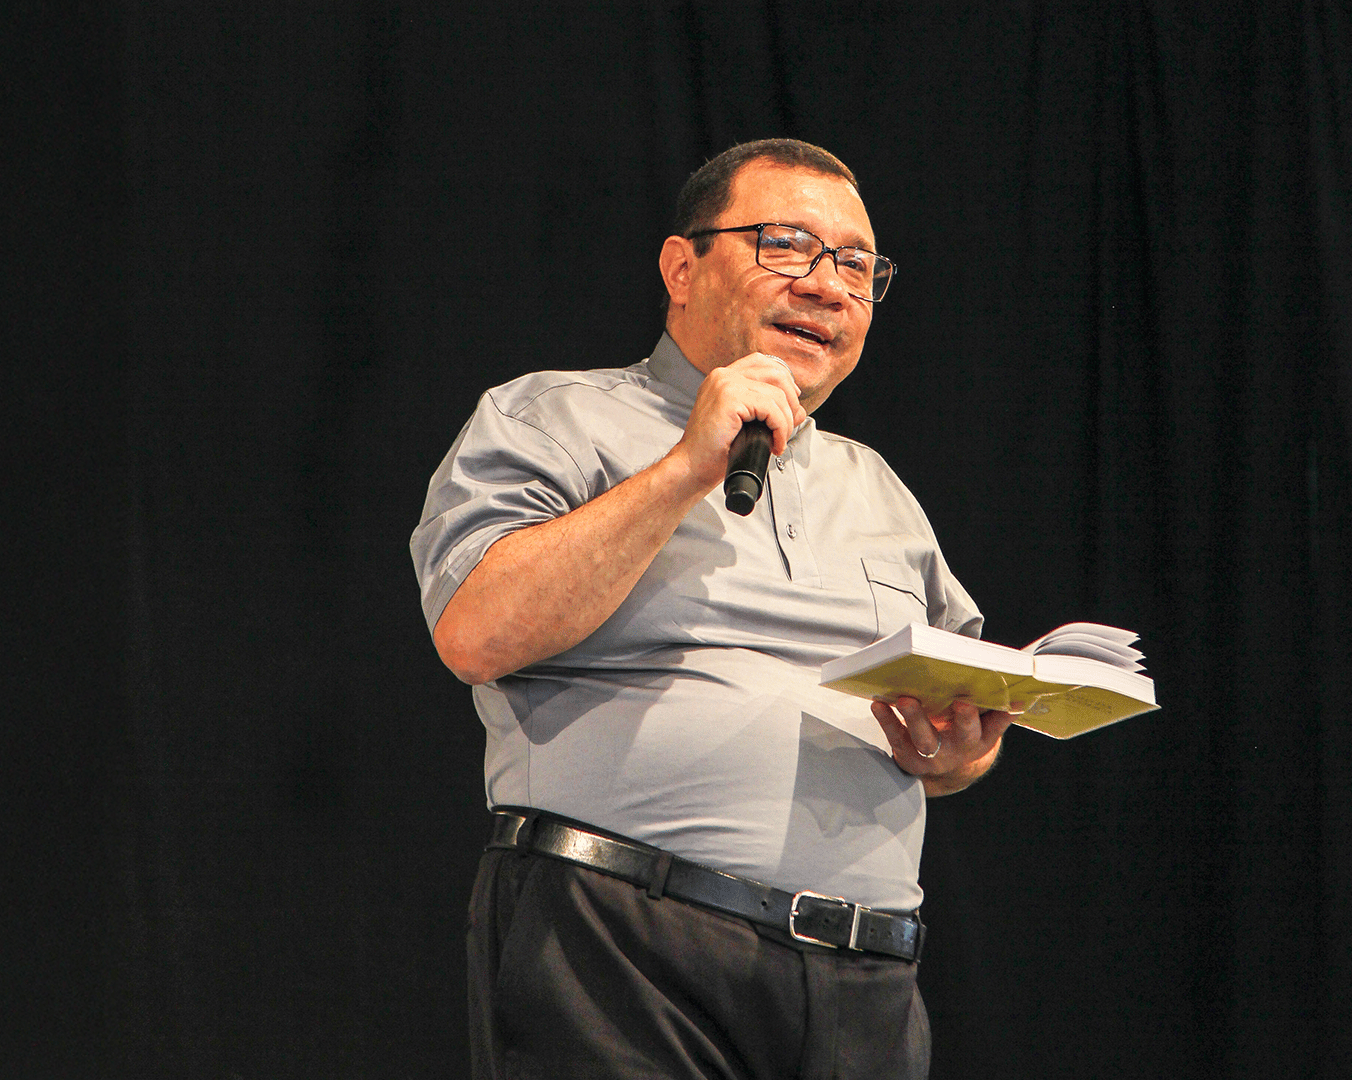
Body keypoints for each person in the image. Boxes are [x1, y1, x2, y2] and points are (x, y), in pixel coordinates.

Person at [411, 138, 1016, 1080]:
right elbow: (476, 631)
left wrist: (959, 751)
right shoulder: (552, 420)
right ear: (681, 266)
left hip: (864, 981)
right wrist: (688, 468)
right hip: (622, 946)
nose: (828, 287)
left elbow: (956, 729)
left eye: (857, 266)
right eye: (787, 245)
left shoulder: (881, 489)